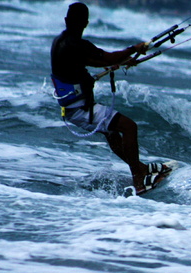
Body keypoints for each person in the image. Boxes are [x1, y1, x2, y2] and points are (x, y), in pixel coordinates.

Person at [51, 2, 164, 195]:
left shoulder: (62, 41)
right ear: (85, 23)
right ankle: (138, 177)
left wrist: (124, 60)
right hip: (80, 108)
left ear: (67, 21)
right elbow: (108, 59)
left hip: (74, 107)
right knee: (129, 127)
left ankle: (140, 168)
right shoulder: (76, 44)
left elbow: (95, 61)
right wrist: (133, 49)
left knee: (112, 133)